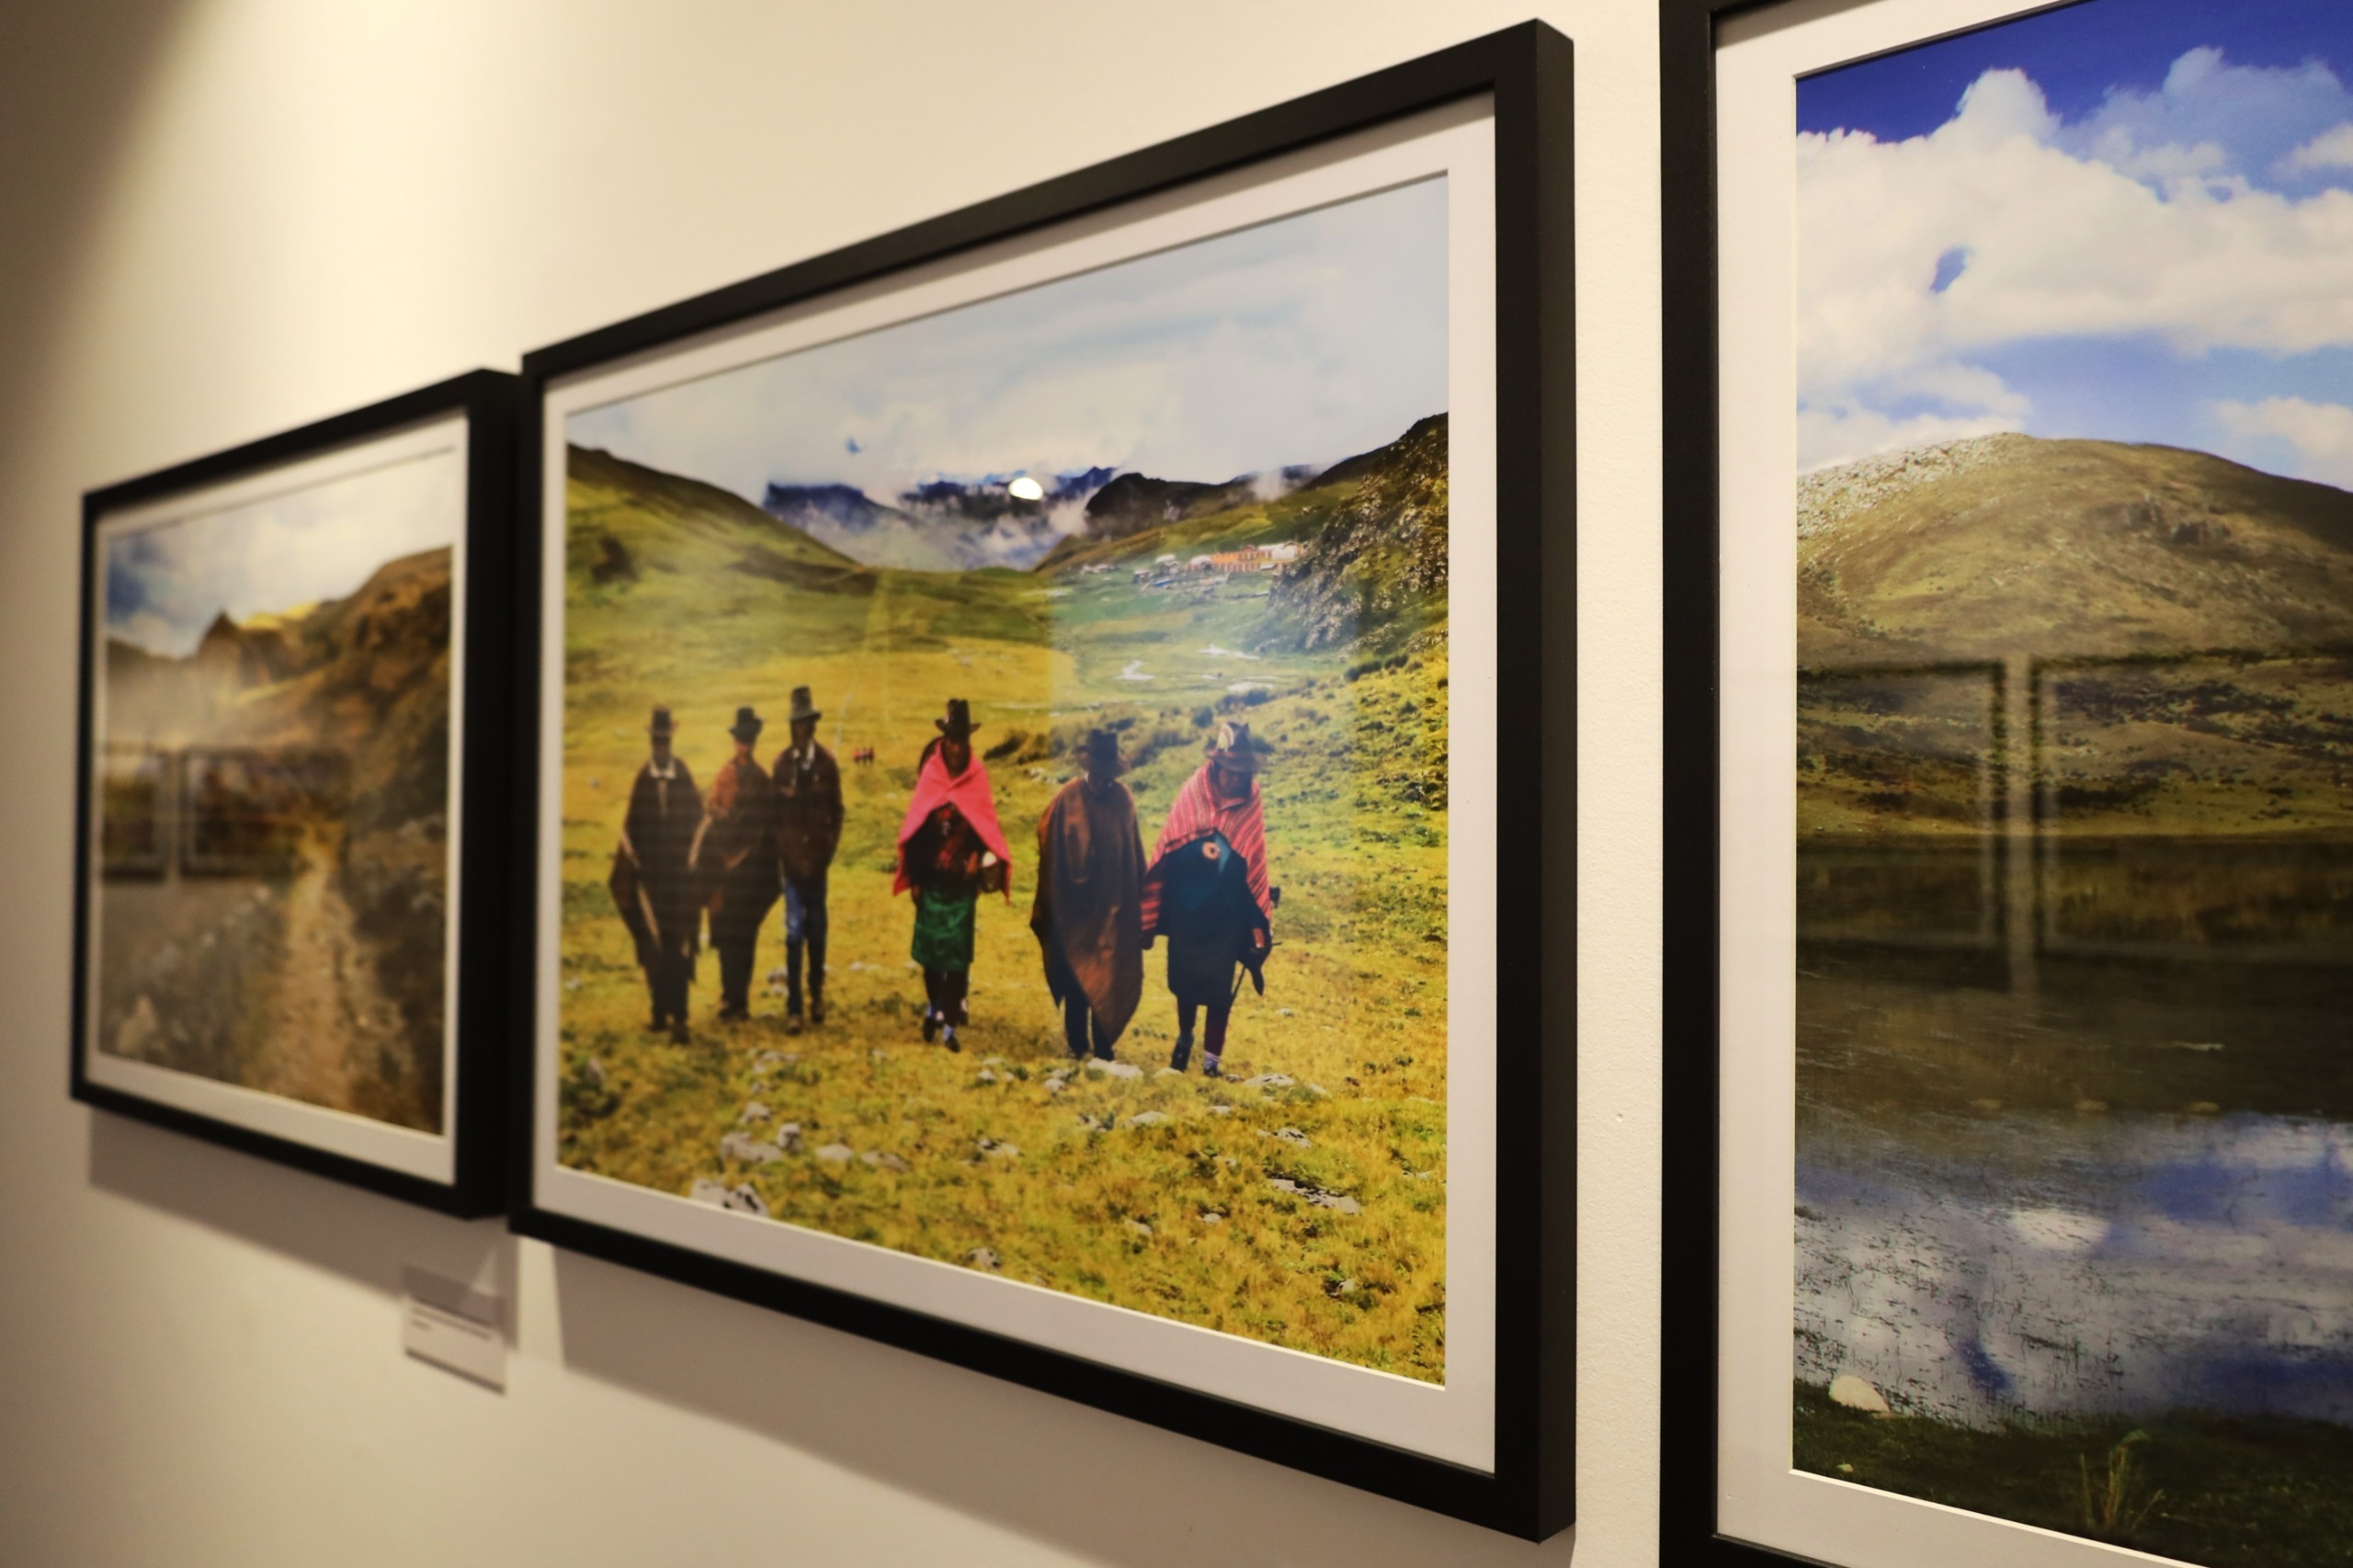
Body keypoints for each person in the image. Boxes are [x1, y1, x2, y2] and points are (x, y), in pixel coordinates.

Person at [1142, 721, 1276, 1077]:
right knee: (1186, 983)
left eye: (1242, 772)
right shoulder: (1194, 792)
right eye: (1231, 771)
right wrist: (1197, 850)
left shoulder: (1252, 800)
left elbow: (1253, 864)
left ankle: (1211, 1063)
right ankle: (1185, 1037)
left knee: (1219, 990)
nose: (1236, 779)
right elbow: (1168, 851)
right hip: (1188, 909)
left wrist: (1256, 923)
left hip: (1228, 913)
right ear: (1216, 767)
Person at [892, 699, 1010, 1053]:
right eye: (952, 740)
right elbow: (915, 827)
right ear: (944, 741)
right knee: (930, 955)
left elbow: (984, 825)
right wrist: (913, 877)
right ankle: (934, 1007)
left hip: (961, 884)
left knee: (958, 957)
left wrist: (977, 856)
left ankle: (948, 1026)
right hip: (931, 880)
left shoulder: (977, 777)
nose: (957, 747)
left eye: (962, 740)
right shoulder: (931, 774)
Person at [1029, 730, 1146, 1062]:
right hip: (1074, 907)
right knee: (1076, 973)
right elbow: (1045, 833)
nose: (1101, 781)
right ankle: (1077, 1042)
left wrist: (1141, 898)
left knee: (1107, 974)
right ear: (1089, 767)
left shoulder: (1123, 800)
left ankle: (1104, 1043)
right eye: (1098, 773)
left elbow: (1133, 853)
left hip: (1111, 906)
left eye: (1108, 775)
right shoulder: (1068, 797)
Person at [610, 705, 703, 1042]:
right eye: (657, 742)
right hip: (651, 881)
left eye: (665, 741)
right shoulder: (643, 780)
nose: (661, 747)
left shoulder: (683, 775)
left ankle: (680, 1017)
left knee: (679, 946)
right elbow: (630, 829)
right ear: (651, 743)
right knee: (654, 946)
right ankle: (658, 1013)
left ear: (671, 741)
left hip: (678, 881)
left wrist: (691, 863)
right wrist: (637, 865)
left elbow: (698, 822)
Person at [691, 705, 779, 1023]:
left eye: (749, 739)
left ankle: (741, 1000)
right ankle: (729, 998)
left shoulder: (762, 780)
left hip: (751, 874)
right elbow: (711, 818)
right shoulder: (723, 777)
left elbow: (768, 826)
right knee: (727, 936)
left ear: (754, 741)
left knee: (747, 936)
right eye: (741, 739)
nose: (745, 745)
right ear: (735, 742)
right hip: (726, 874)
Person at [769, 686, 843, 1034]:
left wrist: (826, 851)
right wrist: (787, 854)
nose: (800, 730)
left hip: (819, 867)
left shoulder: (827, 765)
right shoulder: (781, 766)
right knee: (793, 935)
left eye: (805, 723)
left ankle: (816, 995)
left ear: (812, 725)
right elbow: (775, 818)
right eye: (796, 724)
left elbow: (837, 812)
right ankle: (794, 1008)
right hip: (792, 870)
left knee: (817, 933)